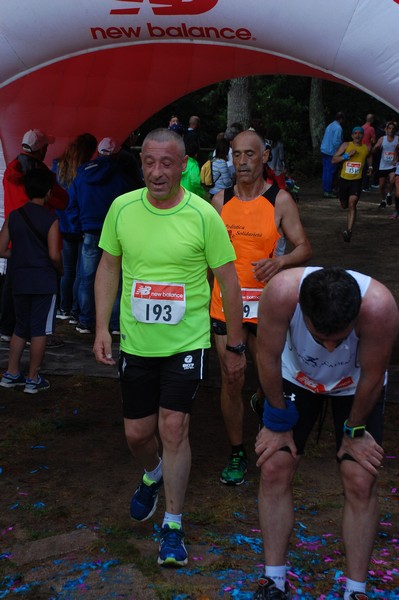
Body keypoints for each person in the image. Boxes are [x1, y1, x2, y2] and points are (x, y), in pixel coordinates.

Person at [93, 128, 245, 567]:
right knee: (138, 434)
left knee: (174, 428)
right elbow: (108, 265)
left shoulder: (202, 215)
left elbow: (229, 282)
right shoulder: (122, 208)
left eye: (167, 164)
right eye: (149, 163)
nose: (157, 172)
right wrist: (102, 327)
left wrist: (234, 345)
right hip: (138, 344)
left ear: (184, 167)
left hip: (187, 343)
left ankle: (173, 526)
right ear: (141, 165)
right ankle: (152, 474)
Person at [252, 266, 398, 600]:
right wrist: (277, 421)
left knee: (359, 477)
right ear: (302, 311)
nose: (330, 347)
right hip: (294, 375)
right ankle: (273, 581)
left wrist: (354, 429)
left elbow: (375, 375)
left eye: (340, 338)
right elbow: (267, 356)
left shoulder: (379, 307)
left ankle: (355, 590)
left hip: (356, 385)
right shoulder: (281, 293)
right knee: (274, 466)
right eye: (321, 338)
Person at [209, 130, 312, 486]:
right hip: (225, 309)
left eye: (249, 155)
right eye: (236, 155)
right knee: (231, 379)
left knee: (271, 378)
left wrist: (280, 263)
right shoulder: (219, 201)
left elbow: (303, 247)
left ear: (265, 156)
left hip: (266, 308)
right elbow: (205, 255)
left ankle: (263, 402)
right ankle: (237, 451)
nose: (241, 163)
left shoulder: (280, 200)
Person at [0, 129, 68, 344]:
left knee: (12, 287)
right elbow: (62, 201)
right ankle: (36, 333)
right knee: (40, 295)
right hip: (41, 241)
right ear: (42, 150)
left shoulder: (11, 170)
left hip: (16, 240)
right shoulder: (42, 176)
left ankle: (8, 329)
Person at [0, 169, 63, 393]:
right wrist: (60, 269)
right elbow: (54, 255)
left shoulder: (14, 216)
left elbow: (1, 249)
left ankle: (11, 373)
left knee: (20, 327)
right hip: (43, 280)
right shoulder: (51, 219)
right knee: (39, 330)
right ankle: (33, 378)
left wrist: (19, 256)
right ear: (48, 192)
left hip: (19, 278)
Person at [68, 137, 138, 334]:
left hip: (89, 231)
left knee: (86, 278)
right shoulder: (124, 176)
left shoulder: (82, 174)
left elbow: (71, 203)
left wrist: (76, 228)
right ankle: (115, 324)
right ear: (116, 154)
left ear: (98, 152)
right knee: (115, 279)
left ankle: (84, 321)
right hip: (116, 232)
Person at [52, 133, 98, 323]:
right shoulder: (85, 171)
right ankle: (75, 310)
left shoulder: (57, 166)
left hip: (61, 224)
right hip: (79, 225)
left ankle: (63, 308)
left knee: (66, 269)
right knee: (81, 272)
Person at [332, 126, 372, 243]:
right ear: (352, 135)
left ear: (362, 136)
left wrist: (370, 167)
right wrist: (346, 155)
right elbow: (334, 160)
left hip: (357, 181)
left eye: (360, 133)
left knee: (352, 203)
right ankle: (347, 206)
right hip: (344, 180)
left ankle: (349, 231)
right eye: (355, 133)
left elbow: (369, 156)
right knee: (344, 204)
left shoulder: (366, 148)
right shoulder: (346, 145)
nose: (357, 135)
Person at [372, 121, 398, 208]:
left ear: (395, 130)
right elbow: (375, 149)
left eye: (393, 129)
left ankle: (389, 194)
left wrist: (396, 159)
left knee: (392, 181)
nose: (391, 130)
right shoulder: (382, 139)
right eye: (389, 128)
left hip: (393, 165)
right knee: (382, 185)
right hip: (383, 165)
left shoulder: (397, 139)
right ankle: (383, 200)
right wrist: (376, 148)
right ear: (386, 129)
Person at [320, 112, 345, 198]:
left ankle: (327, 189)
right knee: (330, 172)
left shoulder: (330, 125)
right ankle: (328, 190)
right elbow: (336, 142)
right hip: (331, 152)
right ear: (341, 119)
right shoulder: (338, 128)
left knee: (326, 171)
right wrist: (340, 152)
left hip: (324, 150)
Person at [361, 114, 376, 191]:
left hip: (361, 149)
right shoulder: (371, 129)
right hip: (368, 149)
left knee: (362, 166)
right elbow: (373, 140)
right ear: (372, 120)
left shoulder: (361, 127)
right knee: (368, 167)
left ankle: (361, 185)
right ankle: (365, 186)